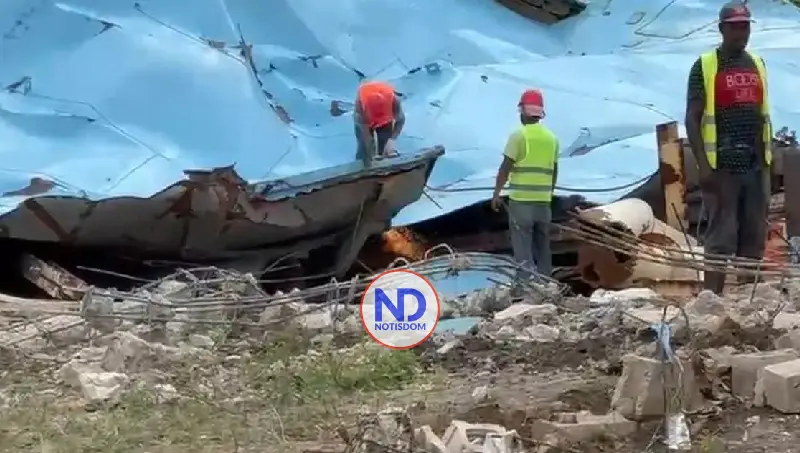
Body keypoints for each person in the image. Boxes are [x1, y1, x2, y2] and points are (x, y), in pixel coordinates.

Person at [685, 1, 772, 295]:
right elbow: (692, 118)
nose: (741, 33)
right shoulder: (706, 66)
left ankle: (751, 303)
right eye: (735, 27)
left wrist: (765, 167)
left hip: (754, 164)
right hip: (722, 166)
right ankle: (712, 301)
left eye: (745, 26)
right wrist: (704, 167)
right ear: (722, 29)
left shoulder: (757, 64)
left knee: (753, 237)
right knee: (721, 239)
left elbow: (762, 117)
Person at [491, 89, 559, 280]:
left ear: (523, 111)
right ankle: (547, 283)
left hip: (521, 203)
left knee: (522, 248)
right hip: (543, 204)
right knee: (543, 246)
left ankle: (525, 285)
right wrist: (547, 194)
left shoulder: (518, 136)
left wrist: (497, 193)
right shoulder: (552, 139)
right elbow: (554, 172)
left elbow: (505, 168)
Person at [354, 81, 406, 166]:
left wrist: (392, 140)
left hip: (385, 118)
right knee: (363, 149)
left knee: (385, 142)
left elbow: (401, 120)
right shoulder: (360, 110)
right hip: (365, 119)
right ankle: (362, 167)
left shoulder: (394, 101)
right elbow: (367, 137)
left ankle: (386, 161)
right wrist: (371, 155)